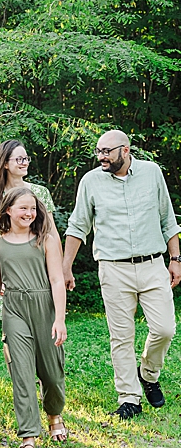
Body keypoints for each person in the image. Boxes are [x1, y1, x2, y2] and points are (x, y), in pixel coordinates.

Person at [63, 129, 181, 420]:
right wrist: (66, 266)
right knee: (121, 336)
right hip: (114, 268)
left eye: (107, 151)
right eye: (99, 151)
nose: (101, 156)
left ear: (125, 150)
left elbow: (167, 218)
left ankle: (148, 375)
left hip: (153, 264)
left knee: (165, 329)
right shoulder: (90, 181)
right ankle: (129, 397)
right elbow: (78, 226)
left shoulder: (152, 173)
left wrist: (175, 258)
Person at [0, 187, 67, 448]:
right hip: (14, 310)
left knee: (52, 375)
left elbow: (56, 280)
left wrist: (60, 318)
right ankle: (28, 436)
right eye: (23, 208)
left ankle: (54, 414)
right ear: (8, 210)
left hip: (45, 306)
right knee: (21, 373)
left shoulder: (46, 240)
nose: (29, 213)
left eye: (33, 208)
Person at [0, 140, 61, 265]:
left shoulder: (40, 192)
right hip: (9, 263)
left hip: (39, 262)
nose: (25, 163)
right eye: (19, 159)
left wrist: (62, 268)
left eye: (26, 159)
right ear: (5, 163)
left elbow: (51, 232)